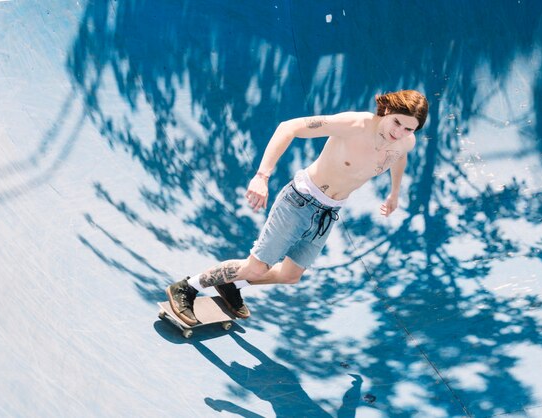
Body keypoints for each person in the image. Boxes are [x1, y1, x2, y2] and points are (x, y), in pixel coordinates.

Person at [166, 90, 428, 324]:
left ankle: (232, 282)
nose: (399, 133)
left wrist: (395, 193)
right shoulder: (355, 124)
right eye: (397, 123)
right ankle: (187, 287)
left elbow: (399, 158)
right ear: (387, 110)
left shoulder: (405, 141)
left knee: (291, 275)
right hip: (300, 201)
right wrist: (262, 176)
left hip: (329, 213)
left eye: (409, 129)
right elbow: (289, 127)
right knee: (258, 267)